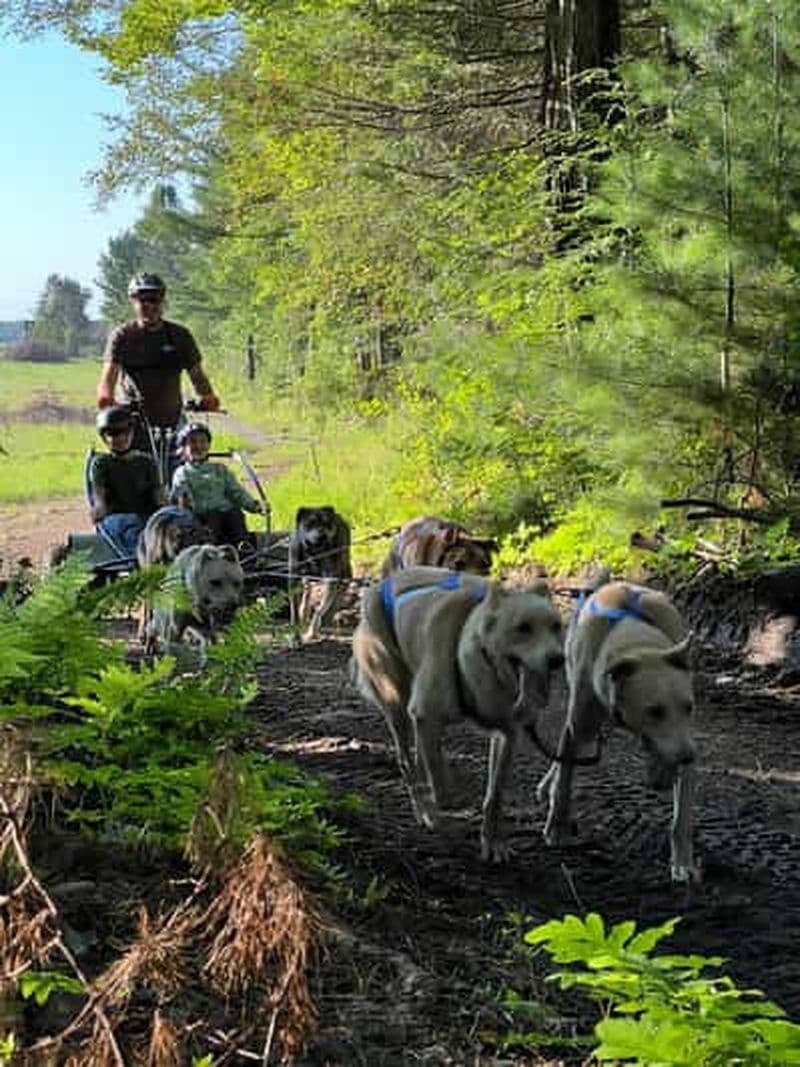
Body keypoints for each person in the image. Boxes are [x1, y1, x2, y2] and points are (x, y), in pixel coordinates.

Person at [96, 272, 221, 453]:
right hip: (133, 419)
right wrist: (106, 400)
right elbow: (108, 377)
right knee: (130, 463)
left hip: (173, 418)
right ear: (133, 303)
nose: (149, 306)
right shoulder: (123, 336)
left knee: (186, 460)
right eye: (142, 301)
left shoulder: (180, 336)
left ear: (162, 302)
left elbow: (197, 375)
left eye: (154, 300)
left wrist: (208, 397)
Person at [171, 422, 264, 547]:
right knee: (213, 517)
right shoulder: (183, 473)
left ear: (209, 445)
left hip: (226, 515)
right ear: (183, 448)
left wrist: (254, 506)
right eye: (193, 442)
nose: (198, 446)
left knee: (235, 513)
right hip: (202, 517)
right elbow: (183, 496)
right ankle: (209, 549)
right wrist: (188, 507)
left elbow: (236, 492)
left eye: (203, 441)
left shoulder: (220, 469)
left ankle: (243, 546)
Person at [90, 405, 162, 558]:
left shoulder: (147, 461)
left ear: (132, 433)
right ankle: (139, 562)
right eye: (113, 434)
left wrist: (174, 508)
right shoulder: (101, 463)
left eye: (125, 432)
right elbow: (99, 495)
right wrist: (99, 508)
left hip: (146, 517)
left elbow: (159, 495)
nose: (121, 438)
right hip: (116, 518)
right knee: (133, 525)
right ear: (104, 437)